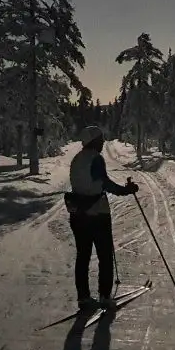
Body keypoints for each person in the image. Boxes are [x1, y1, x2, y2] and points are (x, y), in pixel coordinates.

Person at [65, 126, 139, 311]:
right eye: (100, 139)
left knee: (83, 256)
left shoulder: (77, 159)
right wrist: (125, 190)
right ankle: (105, 296)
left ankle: (83, 297)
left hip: (77, 214)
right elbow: (104, 183)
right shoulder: (95, 159)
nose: (102, 142)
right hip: (97, 214)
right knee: (104, 255)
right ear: (93, 141)